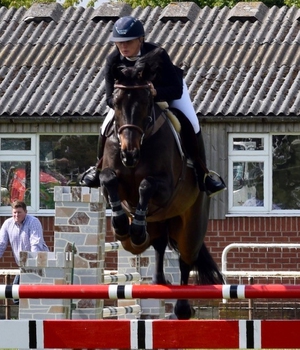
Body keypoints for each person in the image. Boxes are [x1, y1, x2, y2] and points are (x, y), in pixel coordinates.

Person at [80, 16, 226, 197]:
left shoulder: (158, 54)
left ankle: (202, 172)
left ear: (140, 39)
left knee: (192, 122)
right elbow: (109, 98)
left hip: (166, 93)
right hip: (129, 104)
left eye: (128, 42)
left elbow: (176, 90)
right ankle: (98, 167)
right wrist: (122, 103)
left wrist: (155, 93)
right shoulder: (113, 60)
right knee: (105, 126)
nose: (123, 47)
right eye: (119, 42)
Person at [0, 200, 49, 303]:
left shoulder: (33, 221)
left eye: (19, 212)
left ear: (25, 212)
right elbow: (1, 244)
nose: (16, 215)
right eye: (14, 212)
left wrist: (32, 266)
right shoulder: (7, 224)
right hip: (23, 265)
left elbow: (35, 244)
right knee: (17, 296)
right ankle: (23, 318)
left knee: (27, 296)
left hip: (40, 264)